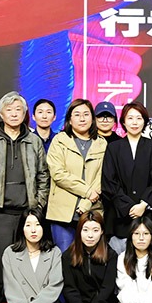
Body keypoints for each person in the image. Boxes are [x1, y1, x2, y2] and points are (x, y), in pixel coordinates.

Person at [0, 92, 50, 255]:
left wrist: (38, 206)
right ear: (1, 114)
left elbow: (43, 176)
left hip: (27, 213)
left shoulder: (34, 140)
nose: (14, 114)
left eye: (18, 109)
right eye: (9, 110)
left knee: (26, 259)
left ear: (24, 113)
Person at [102, 102, 152, 256]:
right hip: (121, 217)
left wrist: (143, 204)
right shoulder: (113, 147)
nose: (134, 122)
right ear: (123, 122)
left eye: (139, 118)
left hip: (150, 215)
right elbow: (109, 181)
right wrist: (129, 207)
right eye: (130, 118)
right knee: (121, 263)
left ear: (145, 121)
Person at [46, 98, 107, 253]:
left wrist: (87, 201)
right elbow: (58, 173)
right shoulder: (59, 140)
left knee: (93, 258)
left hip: (92, 210)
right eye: (77, 114)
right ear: (69, 119)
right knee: (65, 258)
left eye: (86, 114)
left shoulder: (102, 143)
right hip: (62, 212)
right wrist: (87, 191)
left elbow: (103, 176)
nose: (82, 118)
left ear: (92, 118)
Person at [61, 211, 118, 303]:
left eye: (95, 230)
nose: (90, 235)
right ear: (79, 231)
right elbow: (69, 287)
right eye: (85, 230)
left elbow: (107, 288)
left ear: (102, 231)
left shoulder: (111, 256)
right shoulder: (67, 256)